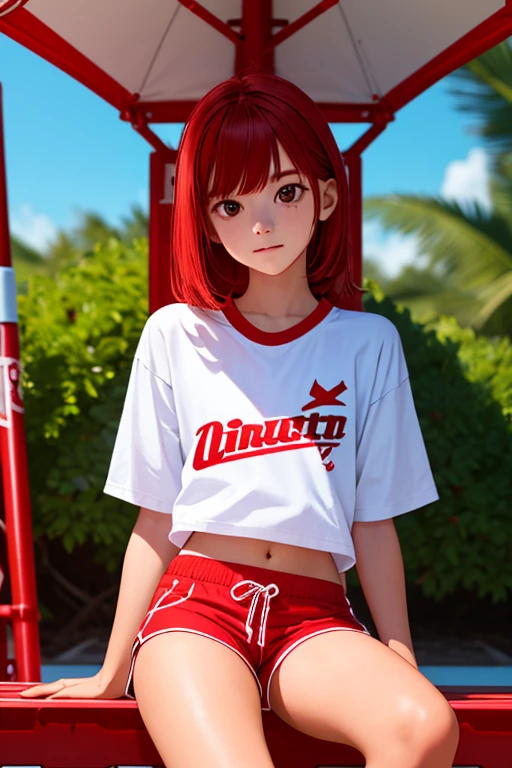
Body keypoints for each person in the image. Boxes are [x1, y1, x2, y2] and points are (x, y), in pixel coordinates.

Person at [21, 72, 459, 768]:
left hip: (316, 616)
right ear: (205, 218)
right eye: (230, 202)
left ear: (327, 194)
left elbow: (373, 519)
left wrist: (399, 652)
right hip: (197, 608)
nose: (260, 223)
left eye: (285, 192)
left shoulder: (368, 343)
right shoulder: (175, 335)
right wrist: (109, 672)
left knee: (423, 729)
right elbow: (156, 516)